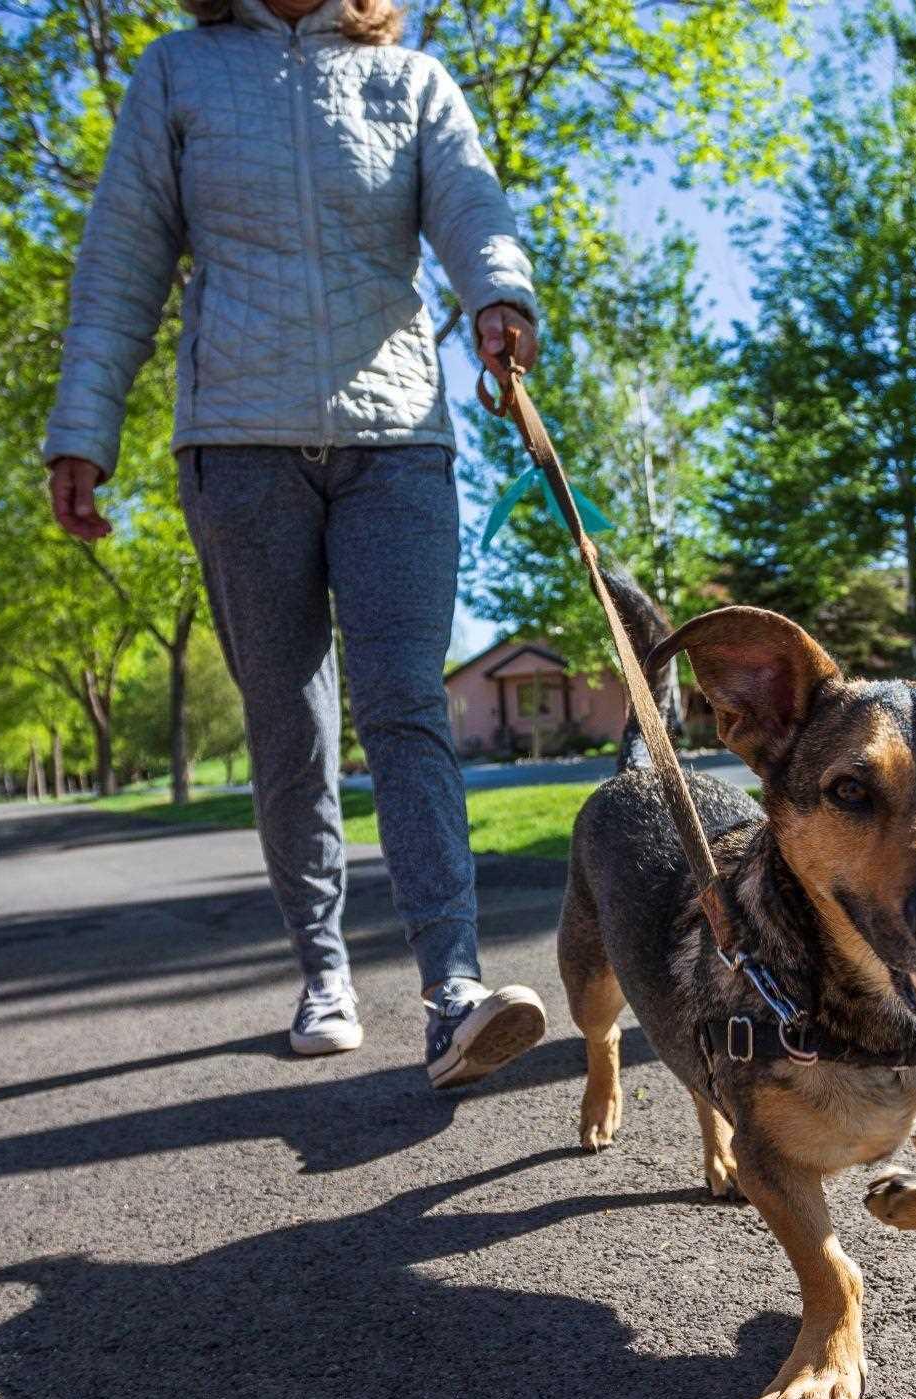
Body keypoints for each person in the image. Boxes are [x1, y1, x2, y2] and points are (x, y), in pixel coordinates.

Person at [46, 0, 548, 1089]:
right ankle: (322, 966)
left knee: (404, 700)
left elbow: (469, 201)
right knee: (289, 720)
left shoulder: (410, 79)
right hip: (237, 443)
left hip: (397, 436)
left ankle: (450, 988)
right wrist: (83, 428)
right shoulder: (177, 74)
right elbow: (122, 262)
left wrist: (497, 294)